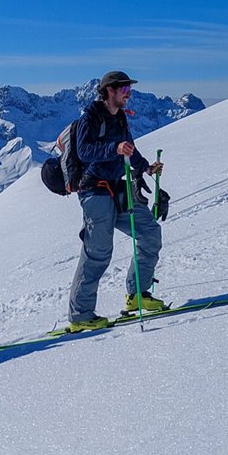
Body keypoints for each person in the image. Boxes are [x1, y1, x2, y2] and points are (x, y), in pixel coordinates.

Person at [66, 70, 167, 331]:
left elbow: (130, 149)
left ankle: (137, 295)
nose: (128, 93)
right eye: (124, 89)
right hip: (94, 191)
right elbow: (84, 151)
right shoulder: (91, 117)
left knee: (150, 233)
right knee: (98, 253)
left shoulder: (120, 118)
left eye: (129, 89)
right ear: (109, 90)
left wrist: (146, 168)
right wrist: (114, 148)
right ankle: (80, 316)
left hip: (116, 188)